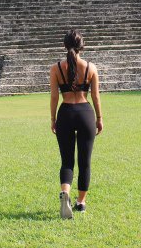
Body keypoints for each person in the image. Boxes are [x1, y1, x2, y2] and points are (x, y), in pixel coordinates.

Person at [50, 30, 103, 219]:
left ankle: (66, 193)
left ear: (65, 46)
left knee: (67, 161)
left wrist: (53, 119)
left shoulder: (56, 68)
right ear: (82, 46)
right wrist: (99, 118)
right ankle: (81, 203)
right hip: (85, 113)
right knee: (85, 162)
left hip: (65, 112)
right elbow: (95, 96)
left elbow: (55, 96)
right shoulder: (91, 67)